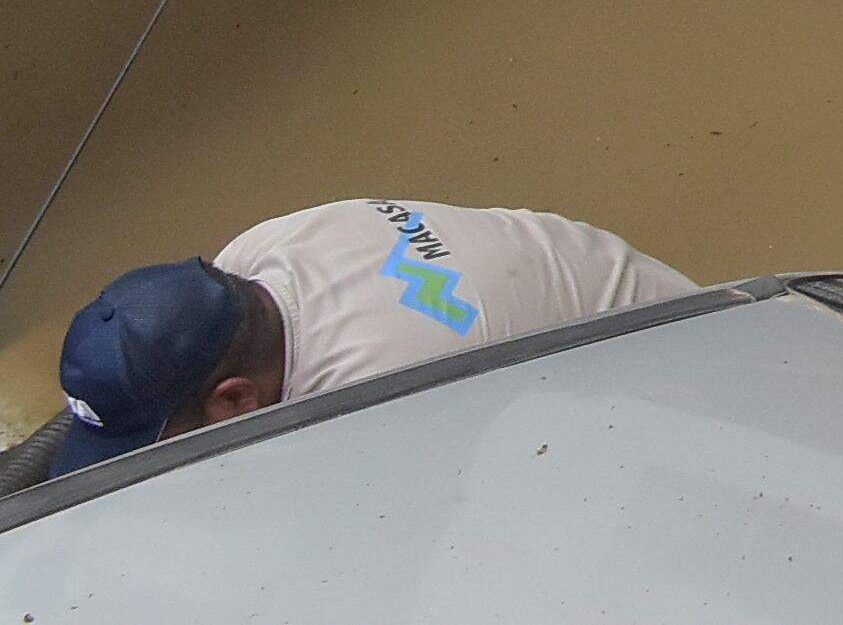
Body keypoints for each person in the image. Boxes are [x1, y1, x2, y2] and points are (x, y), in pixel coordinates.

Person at [10, 199, 691, 487]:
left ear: (236, 398)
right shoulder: (256, 259)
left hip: (679, 380)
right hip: (596, 289)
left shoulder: (383, 397)